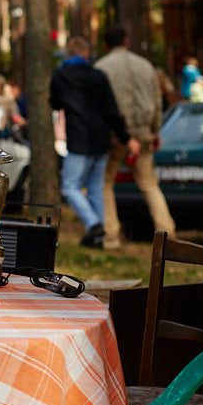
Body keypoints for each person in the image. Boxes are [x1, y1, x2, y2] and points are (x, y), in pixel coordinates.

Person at [49, 36, 139, 248]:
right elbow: (112, 110)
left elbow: (54, 103)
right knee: (96, 187)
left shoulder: (61, 76)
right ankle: (101, 236)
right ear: (87, 54)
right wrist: (125, 137)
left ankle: (94, 225)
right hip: (101, 139)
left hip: (79, 139)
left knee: (70, 186)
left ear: (68, 54)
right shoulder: (98, 76)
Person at [95, 26, 175, 250]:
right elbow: (157, 99)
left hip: (115, 135)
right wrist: (155, 130)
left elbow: (101, 104)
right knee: (149, 184)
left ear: (106, 44)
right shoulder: (146, 66)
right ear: (127, 41)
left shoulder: (102, 67)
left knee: (105, 183)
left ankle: (111, 235)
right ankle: (167, 234)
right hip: (143, 132)